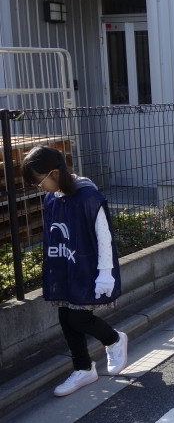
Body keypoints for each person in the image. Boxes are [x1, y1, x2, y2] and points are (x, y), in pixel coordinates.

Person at [22, 146, 128, 397]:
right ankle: (83, 368)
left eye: (40, 182)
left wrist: (106, 272)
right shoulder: (53, 197)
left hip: (87, 267)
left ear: (55, 173)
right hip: (65, 265)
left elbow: (104, 237)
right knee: (65, 318)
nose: (40, 188)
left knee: (79, 318)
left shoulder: (87, 196)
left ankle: (114, 340)